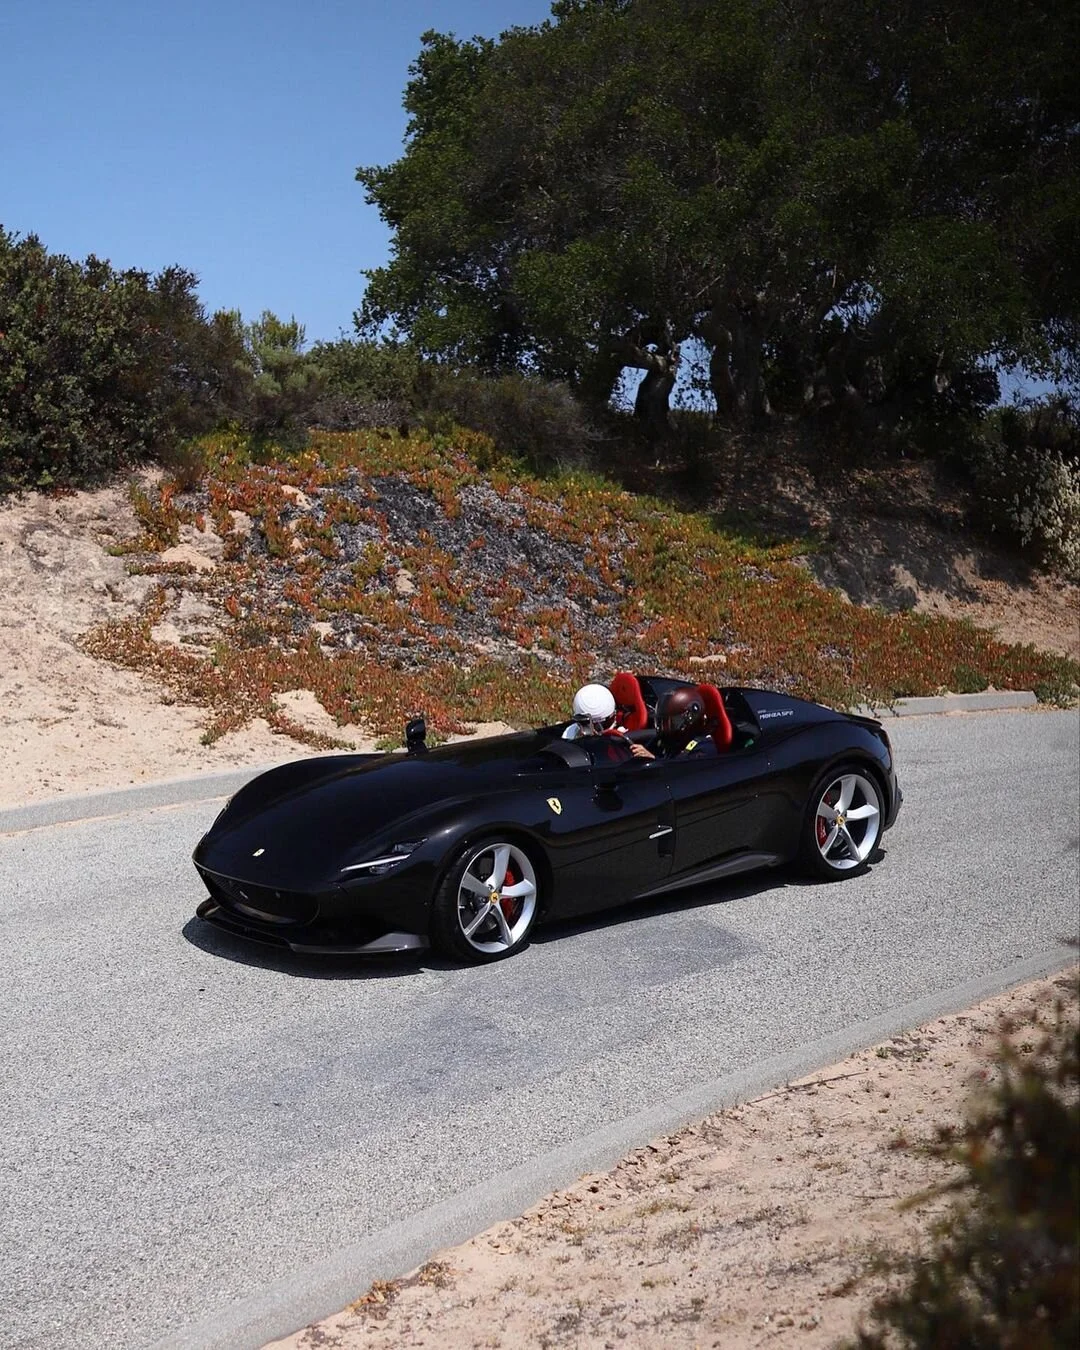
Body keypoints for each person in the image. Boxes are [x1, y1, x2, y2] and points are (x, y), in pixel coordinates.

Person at [630, 686, 717, 759]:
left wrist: (652, 759)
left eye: (671, 723)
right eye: (661, 723)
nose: (664, 728)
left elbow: (682, 774)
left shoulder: (704, 750)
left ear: (690, 719)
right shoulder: (666, 741)